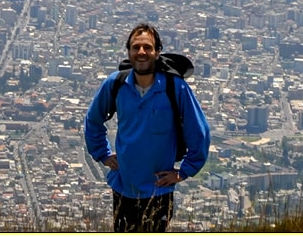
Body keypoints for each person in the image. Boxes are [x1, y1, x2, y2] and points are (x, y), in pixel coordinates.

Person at [84, 23, 210, 232]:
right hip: (124, 186)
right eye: (136, 47)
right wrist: (103, 154)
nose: (141, 52)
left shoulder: (174, 87)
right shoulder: (115, 84)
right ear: (129, 52)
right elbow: (93, 120)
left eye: (147, 47)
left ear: (157, 52)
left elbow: (199, 131)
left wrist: (184, 172)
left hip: (158, 188)